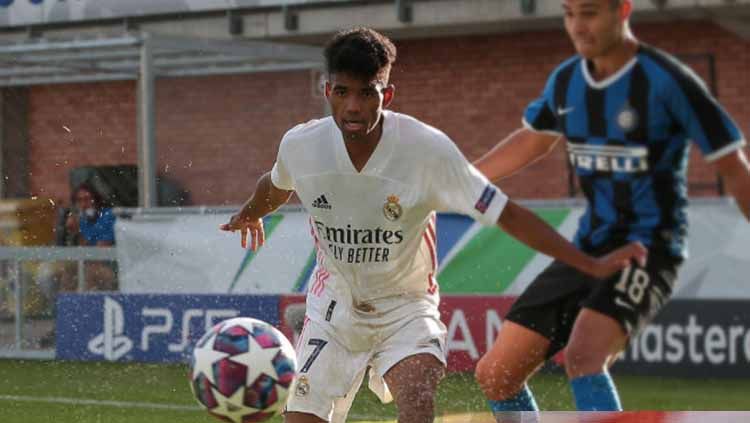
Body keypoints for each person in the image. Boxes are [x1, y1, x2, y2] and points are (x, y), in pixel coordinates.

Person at [221, 27, 645, 423]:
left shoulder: (428, 151)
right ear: (328, 91)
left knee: (418, 400)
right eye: (343, 92)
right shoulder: (302, 145)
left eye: (367, 93)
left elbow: (507, 213)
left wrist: (584, 261)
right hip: (333, 307)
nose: (353, 106)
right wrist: (253, 211)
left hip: (407, 308)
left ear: (387, 94)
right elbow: (275, 185)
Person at [473, 0, 750, 418]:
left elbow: (733, 168)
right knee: (496, 373)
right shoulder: (566, 81)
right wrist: (462, 179)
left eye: (589, 13)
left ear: (622, 10)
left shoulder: (668, 81)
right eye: (568, 14)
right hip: (588, 249)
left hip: (650, 248)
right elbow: (533, 140)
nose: (577, 27)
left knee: (584, 354)